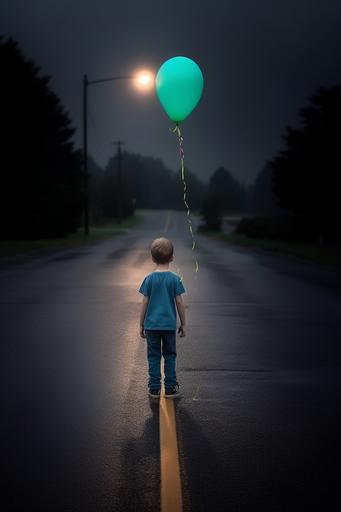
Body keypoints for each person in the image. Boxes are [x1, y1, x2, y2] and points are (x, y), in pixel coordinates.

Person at [139, 237, 186, 398]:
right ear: (172, 257)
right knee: (170, 355)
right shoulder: (175, 279)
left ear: (152, 258)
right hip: (168, 326)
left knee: (153, 356)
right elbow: (179, 301)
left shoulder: (149, 279)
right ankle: (171, 387)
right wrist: (183, 323)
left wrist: (141, 324)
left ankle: (154, 388)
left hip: (151, 326)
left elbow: (144, 302)